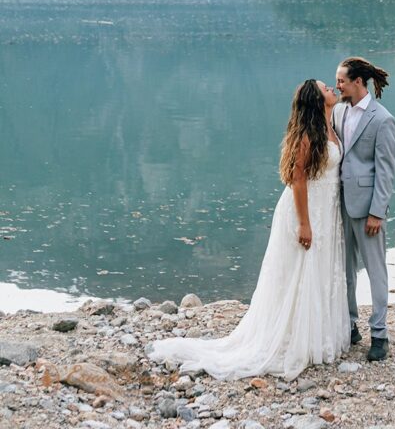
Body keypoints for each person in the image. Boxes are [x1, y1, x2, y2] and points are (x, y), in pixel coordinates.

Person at [148, 79, 350, 381]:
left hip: (327, 210)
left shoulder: (331, 125)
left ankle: (316, 336)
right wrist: (305, 223)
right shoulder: (309, 135)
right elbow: (297, 181)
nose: (331, 89)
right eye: (325, 88)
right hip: (305, 212)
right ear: (315, 99)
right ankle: (292, 339)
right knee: (298, 273)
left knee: (318, 272)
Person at [333, 56, 395, 362]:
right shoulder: (339, 111)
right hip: (341, 205)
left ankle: (380, 334)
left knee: (376, 272)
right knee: (346, 270)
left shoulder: (382, 119)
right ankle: (350, 325)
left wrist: (377, 212)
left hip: (368, 209)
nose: (338, 85)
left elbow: (386, 171)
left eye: (342, 80)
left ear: (358, 82)